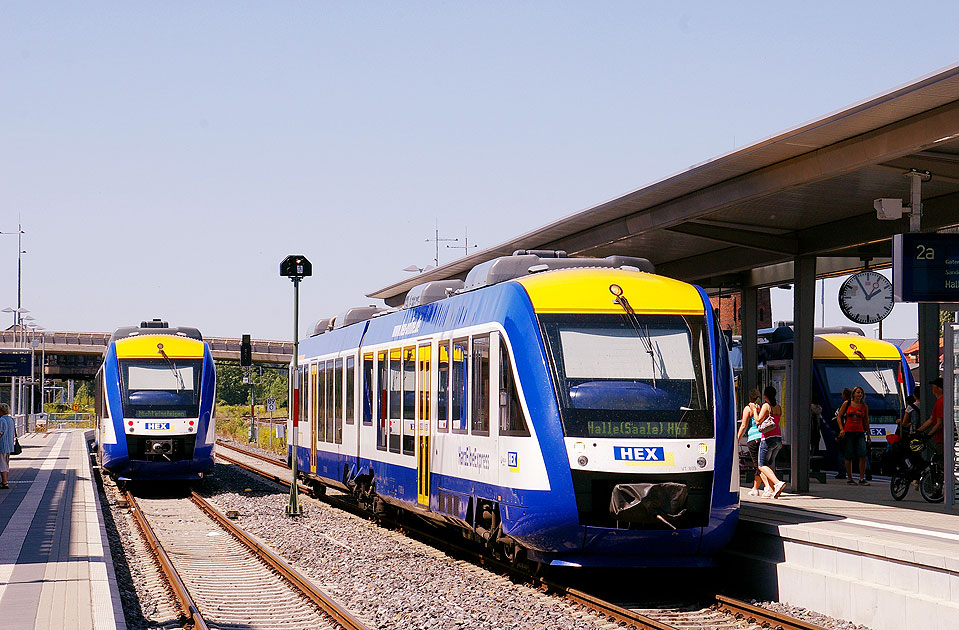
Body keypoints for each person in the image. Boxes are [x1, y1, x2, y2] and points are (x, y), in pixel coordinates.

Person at [756, 385, 786, 498]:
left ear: (765, 396)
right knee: (769, 465)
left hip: (768, 438)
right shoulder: (778, 407)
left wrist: (755, 411)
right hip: (778, 438)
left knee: (761, 465)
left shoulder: (766, 406)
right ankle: (772, 489)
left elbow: (758, 421)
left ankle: (777, 483)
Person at [839, 386, 871, 485]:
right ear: (853, 394)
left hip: (860, 432)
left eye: (861, 393)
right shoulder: (847, 404)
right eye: (858, 392)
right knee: (849, 455)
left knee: (862, 454)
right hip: (848, 432)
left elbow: (866, 420)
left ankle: (862, 478)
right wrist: (841, 429)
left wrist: (869, 435)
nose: (859, 394)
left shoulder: (864, 406)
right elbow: (839, 416)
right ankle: (850, 478)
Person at [736, 388, 764, 497]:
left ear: (750, 397)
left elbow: (744, 425)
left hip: (753, 438)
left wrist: (737, 439)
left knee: (758, 465)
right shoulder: (763, 407)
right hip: (764, 437)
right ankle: (756, 488)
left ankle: (765, 487)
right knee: (762, 464)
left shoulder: (748, 408)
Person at [916, 377, 944, 461]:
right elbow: (931, 420)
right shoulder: (939, 401)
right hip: (940, 439)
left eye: (934, 386)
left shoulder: (941, 402)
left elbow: (939, 424)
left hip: (943, 440)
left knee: (941, 463)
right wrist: (918, 431)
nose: (932, 389)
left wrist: (928, 436)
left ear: (938, 388)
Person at [833, 388, 852, 479]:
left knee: (842, 453)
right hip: (856, 431)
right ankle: (866, 472)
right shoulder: (858, 405)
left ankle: (842, 472)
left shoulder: (844, 405)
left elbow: (837, 418)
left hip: (845, 432)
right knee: (861, 453)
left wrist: (838, 433)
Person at [0, 403, 16, 490]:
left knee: (2, 464)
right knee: (6, 464)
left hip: (2, 445)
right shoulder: (11, 419)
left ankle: (4, 482)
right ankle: (4, 481)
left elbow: (0, 432)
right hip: (9, 445)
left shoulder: (1, 420)